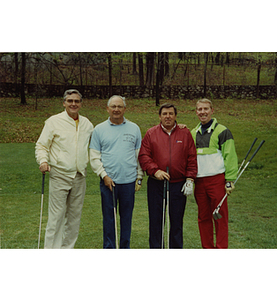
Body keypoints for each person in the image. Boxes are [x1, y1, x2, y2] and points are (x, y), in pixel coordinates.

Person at [35, 89, 94, 249]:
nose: (73, 104)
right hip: (59, 174)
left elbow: (95, 145)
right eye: (70, 101)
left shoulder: (87, 124)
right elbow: (41, 145)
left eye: (76, 101)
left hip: (80, 175)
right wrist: (43, 161)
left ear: (81, 104)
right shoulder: (53, 122)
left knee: (74, 218)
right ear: (64, 103)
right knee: (56, 218)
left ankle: (67, 251)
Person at [138, 103, 197, 249]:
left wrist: (190, 179)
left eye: (171, 113)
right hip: (156, 184)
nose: (168, 116)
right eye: (164, 114)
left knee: (176, 222)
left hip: (178, 184)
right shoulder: (151, 133)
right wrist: (155, 170)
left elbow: (191, 157)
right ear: (160, 116)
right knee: (156, 221)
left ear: (175, 116)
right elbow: (144, 155)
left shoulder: (185, 133)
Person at [89, 95, 143, 249]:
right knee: (109, 219)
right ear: (107, 108)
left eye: (120, 106)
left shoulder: (134, 128)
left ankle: (125, 248)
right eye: (113, 106)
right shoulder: (99, 129)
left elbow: (139, 155)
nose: (116, 109)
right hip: (108, 182)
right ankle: (110, 248)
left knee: (126, 219)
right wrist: (104, 175)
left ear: (125, 109)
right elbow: (94, 157)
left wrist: (139, 176)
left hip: (128, 182)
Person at [190, 98, 238, 249]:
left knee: (220, 216)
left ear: (212, 111)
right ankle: (207, 248)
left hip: (216, 180)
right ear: (196, 112)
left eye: (206, 109)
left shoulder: (222, 131)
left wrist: (230, 180)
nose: (203, 112)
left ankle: (221, 249)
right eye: (200, 109)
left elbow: (230, 156)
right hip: (199, 182)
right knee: (203, 217)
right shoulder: (192, 133)